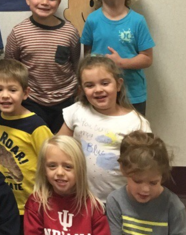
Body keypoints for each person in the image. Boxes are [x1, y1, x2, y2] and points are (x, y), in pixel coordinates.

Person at [59, 54, 151, 202]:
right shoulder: (76, 111)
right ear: (82, 89)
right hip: (79, 197)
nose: (98, 90)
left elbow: (144, 166)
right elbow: (58, 147)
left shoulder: (135, 123)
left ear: (119, 84)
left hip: (118, 201)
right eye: (89, 85)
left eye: (105, 83)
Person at [0, 59, 52, 235]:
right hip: (1, 198)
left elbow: (51, 161)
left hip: (29, 203)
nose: (5, 96)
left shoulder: (36, 126)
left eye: (12, 90)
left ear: (25, 93)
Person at [5, 0, 80, 133]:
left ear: (59, 2)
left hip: (65, 101)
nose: (44, 2)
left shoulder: (70, 32)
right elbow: (10, 69)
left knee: (62, 148)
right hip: (31, 101)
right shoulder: (19, 33)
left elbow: (75, 64)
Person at [81, 0, 154, 114]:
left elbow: (147, 58)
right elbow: (87, 57)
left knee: (134, 137)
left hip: (132, 95)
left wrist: (122, 62)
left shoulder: (137, 21)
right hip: (100, 95)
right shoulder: (92, 20)